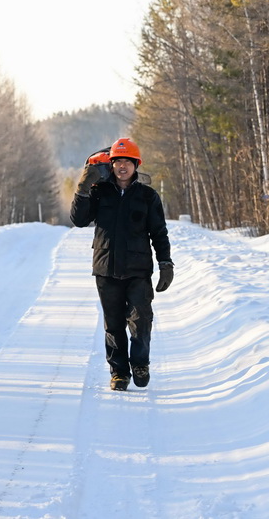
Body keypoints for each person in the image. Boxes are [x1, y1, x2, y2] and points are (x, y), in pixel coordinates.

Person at [69, 137, 174, 391]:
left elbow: (159, 232)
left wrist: (165, 262)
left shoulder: (148, 196)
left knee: (141, 319)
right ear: (111, 165)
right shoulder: (98, 192)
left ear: (136, 165)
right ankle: (119, 373)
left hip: (138, 270)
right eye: (118, 162)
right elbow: (79, 220)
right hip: (105, 269)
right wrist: (82, 190)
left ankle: (140, 364)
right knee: (113, 324)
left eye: (128, 162)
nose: (123, 167)